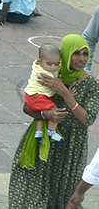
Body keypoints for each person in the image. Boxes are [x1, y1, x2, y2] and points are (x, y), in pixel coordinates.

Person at [9, 36, 96, 209]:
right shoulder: (50, 73)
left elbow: (87, 119)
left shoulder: (92, 84)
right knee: (30, 193)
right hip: (42, 141)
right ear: (65, 55)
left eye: (85, 53)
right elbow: (28, 106)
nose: (81, 58)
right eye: (76, 53)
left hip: (70, 146)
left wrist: (64, 92)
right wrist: (45, 113)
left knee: (63, 197)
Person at [24, 45, 66, 142]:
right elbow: (57, 85)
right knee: (55, 111)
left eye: (57, 64)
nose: (53, 67)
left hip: (31, 95)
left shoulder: (38, 67)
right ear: (39, 61)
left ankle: (38, 132)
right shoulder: (45, 75)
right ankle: (51, 131)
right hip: (38, 96)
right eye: (50, 64)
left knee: (42, 112)